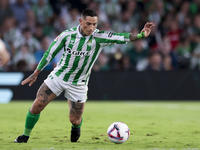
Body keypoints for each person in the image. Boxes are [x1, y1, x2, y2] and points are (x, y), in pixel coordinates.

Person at [14, 8, 154, 143]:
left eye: (94, 24)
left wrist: (141, 35)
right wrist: (36, 72)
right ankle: (25, 136)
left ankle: (76, 126)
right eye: (88, 24)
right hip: (59, 76)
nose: (91, 27)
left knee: (74, 119)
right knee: (38, 104)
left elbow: (121, 37)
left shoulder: (99, 37)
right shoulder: (67, 35)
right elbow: (50, 53)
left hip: (79, 83)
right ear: (80, 21)